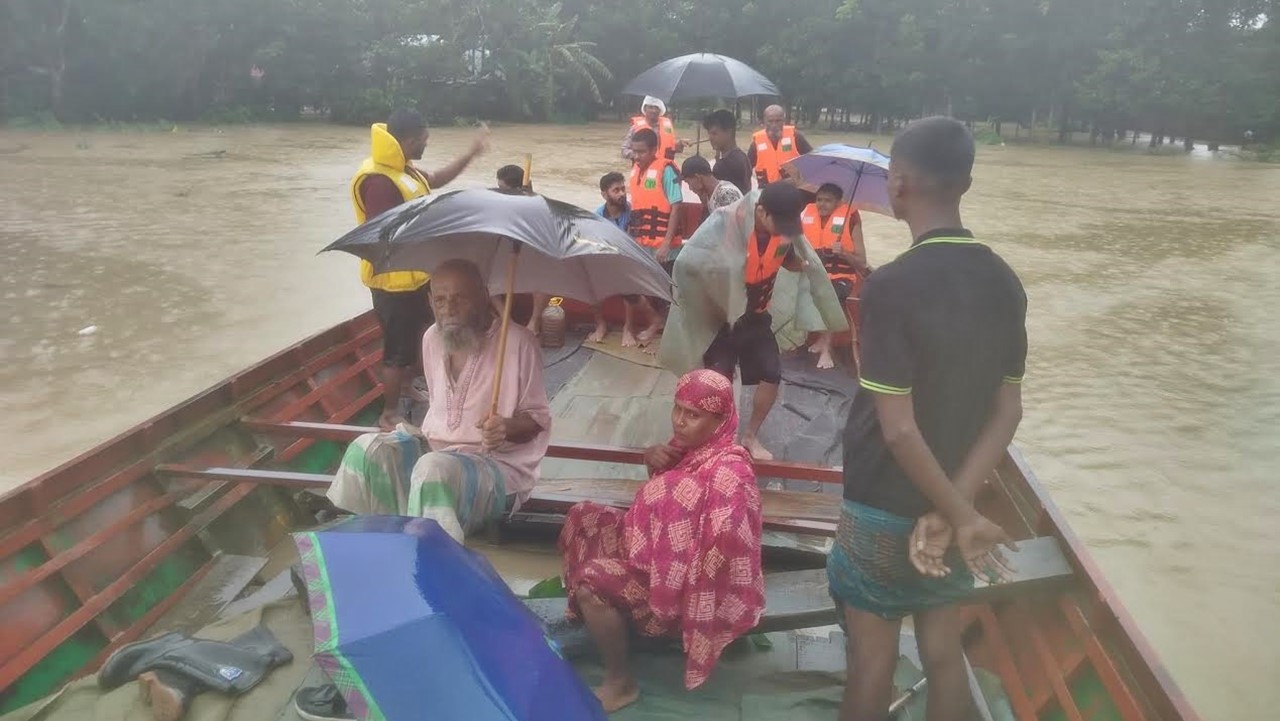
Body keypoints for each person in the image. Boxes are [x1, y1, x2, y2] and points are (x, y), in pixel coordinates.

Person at [828, 117, 1026, 721]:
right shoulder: (1005, 283)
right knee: (942, 653)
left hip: (882, 504)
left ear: (899, 183)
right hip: (951, 506)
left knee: (871, 664)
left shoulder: (892, 285)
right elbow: (1007, 410)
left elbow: (898, 428)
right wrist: (957, 511)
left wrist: (959, 515)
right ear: (965, 183)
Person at [559, 369, 765, 712]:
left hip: (689, 586)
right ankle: (609, 626)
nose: (680, 422)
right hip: (655, 556)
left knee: (590, 582)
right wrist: (651, 461)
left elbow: (729, 544)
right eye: (678, 409)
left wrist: (682, 513)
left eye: (693, 415)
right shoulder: (686, 450)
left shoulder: (732, 472)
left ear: (720, 421)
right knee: (584, 517)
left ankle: (620, 682)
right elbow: (661, 505)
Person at [327, 258, 552, 543]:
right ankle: (371, 542)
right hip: (436, 453)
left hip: (498, 470)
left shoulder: (519, 342)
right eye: (441, 300)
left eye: (460, 298)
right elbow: (441, 410)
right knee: (368, 450)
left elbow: (538, 420)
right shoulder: (432, 337)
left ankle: (431, 562)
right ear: (430, 301)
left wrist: (505, 427)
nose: (449, 309)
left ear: (484, 297)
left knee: (433, 469)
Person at [351, 108, 490, 430]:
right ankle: (388, 412)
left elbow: (437, 180)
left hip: (416, 275)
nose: (426, 145)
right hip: (392, 282)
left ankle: (407, 387)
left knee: (425, 333)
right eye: (424, 140)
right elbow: (383, 232)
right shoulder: (379, 181)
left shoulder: (405, 170)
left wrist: (471, 153)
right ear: (409, 140)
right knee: (397, 350)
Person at [701, 183, 809, 459]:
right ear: (760, 212)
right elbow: (698, 267)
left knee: (772, 374)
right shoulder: (729, 230)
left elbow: (789, 261)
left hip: (758, 318)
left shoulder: (784, 236)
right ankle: (715, 440)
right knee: (717, 381)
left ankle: (750, 436)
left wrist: (809, 266)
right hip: (723, 321)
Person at [624, 128, 683, 347]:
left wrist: (666, 243)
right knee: (633, 286)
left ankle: (664, 331)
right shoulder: (635, 170)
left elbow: (677, 206)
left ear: (654, 150)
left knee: (664, 291)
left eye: (641, 152)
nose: (636, 156)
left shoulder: (666, 170)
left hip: (663, 246)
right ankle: (656, 322)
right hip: (641, 243)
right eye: (634, 151)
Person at [801, 183, 867, 370]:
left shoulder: (851, 218)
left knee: (830, 294)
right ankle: (818, 339)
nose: (822, 204)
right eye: (819, 199)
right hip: (815, 272)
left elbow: (862, 262)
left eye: (828, 201)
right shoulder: (807, 213)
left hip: (841, 275)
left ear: (839, 203)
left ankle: (827, 349)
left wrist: (844, 252)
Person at [583, 172, 632, 343]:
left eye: (623, 189)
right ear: (604, 194)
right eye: (616, 190)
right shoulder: (597, 217)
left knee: (629, 280)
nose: (621, 194)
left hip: (629, 262)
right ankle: (600, 324)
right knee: (590, 280)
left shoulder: (632, 211)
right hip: (606, 260)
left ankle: (628, 327)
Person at [747, 105, 813, 188]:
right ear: (764, 121)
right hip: (767, 191)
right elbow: (746, 169)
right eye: (770, 121)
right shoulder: (757, 142)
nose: (774, 125)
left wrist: (799, 177)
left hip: (793, 190)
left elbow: (812, 161)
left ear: (784, 121)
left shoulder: (795, 137)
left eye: (778, 121)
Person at [622, 96, 687, 162]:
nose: (653, 110)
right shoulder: (635, 128)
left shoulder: (666, 127)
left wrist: (680, 144)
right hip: (643, 167)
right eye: (650, 107)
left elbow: (671, 148)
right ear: (645, 109)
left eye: (656, 107)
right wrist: (640, 154)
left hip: (663, 167)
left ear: (660, 110)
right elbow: (624, 150)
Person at [703, 109, 752, 194]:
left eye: (714, 134)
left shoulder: (728, 163)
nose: (710, 138)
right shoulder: (742, 157)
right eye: (709, 134)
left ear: (729, 132)